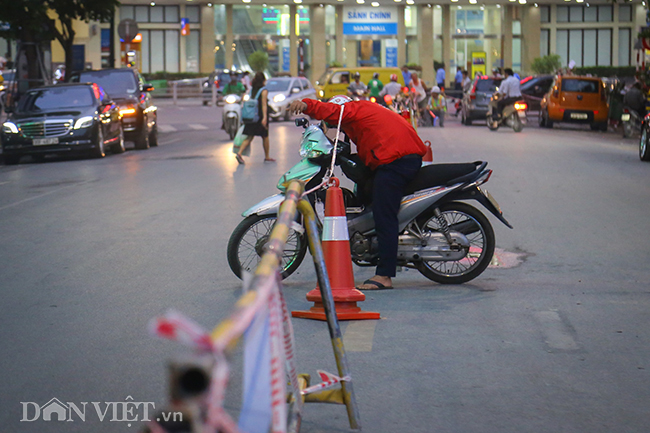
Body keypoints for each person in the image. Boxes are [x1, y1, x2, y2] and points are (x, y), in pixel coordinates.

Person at [288, 95, 427, 290]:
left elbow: (334, 112)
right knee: (364, 194)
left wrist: (307, 105)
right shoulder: (360, 114)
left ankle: (385, 275)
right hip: (391, 156)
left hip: (397, 161)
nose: (338, 127)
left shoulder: (352, 110)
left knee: (383, 212)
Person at [235, 72, 275, 164]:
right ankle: (267, 156)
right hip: (259, 116)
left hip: (251, 116)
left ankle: (239, 153)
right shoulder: (263, 90)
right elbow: (264, 105)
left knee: (249, 136)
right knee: (265, 136)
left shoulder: (252, 90)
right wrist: (264, 118)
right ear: (263, 80)